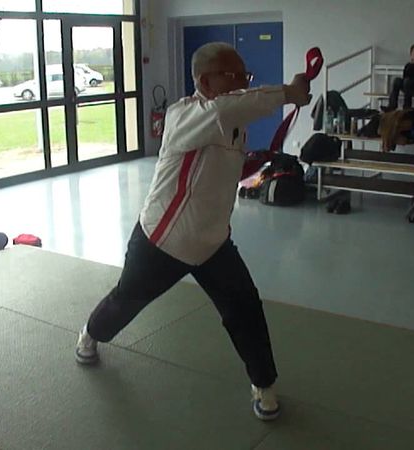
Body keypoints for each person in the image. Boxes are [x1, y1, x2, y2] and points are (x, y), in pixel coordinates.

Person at [74, 42, 312, 421]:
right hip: (164, 240)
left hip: (212, 241)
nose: (241, 84)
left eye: (244, 76)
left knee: (245, 308)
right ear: (204, 80)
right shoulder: (187, 114)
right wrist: (289, 91)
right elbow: (230, 107)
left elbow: (221, 157)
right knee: (127, 299)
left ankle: (264, 386)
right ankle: (90, 334)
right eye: (234, 76)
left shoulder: (229, 121)